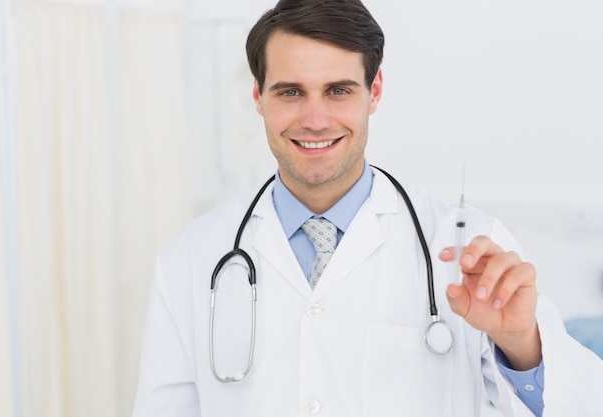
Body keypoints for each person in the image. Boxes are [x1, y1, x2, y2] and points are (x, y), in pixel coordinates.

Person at [132, 0, 603, 416]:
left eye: (338, 90)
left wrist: (522, 345)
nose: (315, 120)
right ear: (258, 95)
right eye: (290, 91)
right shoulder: (190, 261)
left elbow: (580, 405)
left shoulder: (467, 251)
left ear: (374, 91)